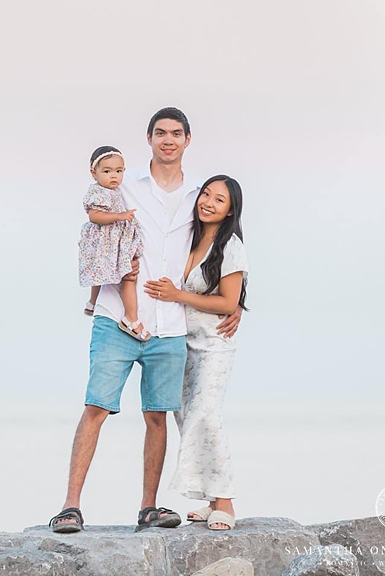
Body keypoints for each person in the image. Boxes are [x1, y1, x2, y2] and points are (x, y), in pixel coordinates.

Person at [49, 107, 243, 533]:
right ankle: (70, 506)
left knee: (157, 416)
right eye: (160, 133)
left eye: (176, 133)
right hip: (116, 315)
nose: (168, 140)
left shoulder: (199, 195)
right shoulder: (123, 183)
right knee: (96, 408)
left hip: (171, 326)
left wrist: (237, 304)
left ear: (188, 140)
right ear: (149, 138)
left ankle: (149, 507)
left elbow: (223, 245)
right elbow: (93, 218)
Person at [145, 175, 249, 531]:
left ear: (230, 209)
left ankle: (226, 501)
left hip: (213, 345)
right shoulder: (186, 236)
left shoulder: (230, 245)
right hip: (176, 342)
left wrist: (179, 295)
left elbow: (227, 302)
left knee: (207, 415)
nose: (208, 202)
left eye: (219, 199)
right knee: (187, 418)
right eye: (206, 194)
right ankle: (208, 498)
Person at [79, 145, 150, 341]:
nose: (114, 176)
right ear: (94, 173)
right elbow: (94, 216)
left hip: (113, 241)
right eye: (107, 171)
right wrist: (119, 216)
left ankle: (92, 303)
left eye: (119, 171)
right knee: (127, 276)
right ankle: (131, 318)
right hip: (105, 241)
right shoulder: (98, 192)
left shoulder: (116, 190)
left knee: (101, 274)